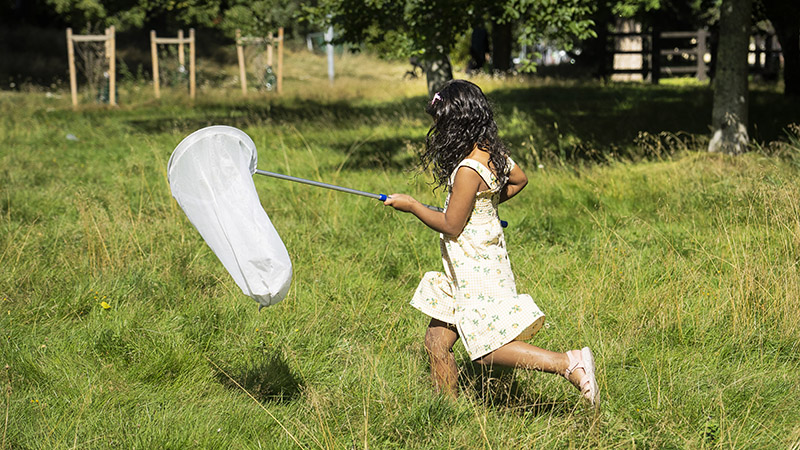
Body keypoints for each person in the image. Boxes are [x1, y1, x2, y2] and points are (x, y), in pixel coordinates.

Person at [383, 80, 599, 407]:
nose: (438, 129)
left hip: (474, 269)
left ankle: (568, 363)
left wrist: (412, 206)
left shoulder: (468, 169)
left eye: (442, 121)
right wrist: (486, 205)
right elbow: (520, 179)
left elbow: (451, 225)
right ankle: (447, 411)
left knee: (485, 350)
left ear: (458, 122)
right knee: (436, 342)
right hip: (474, 262)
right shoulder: (490, 153)